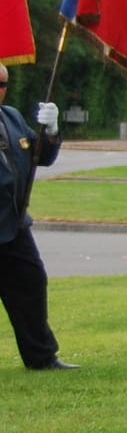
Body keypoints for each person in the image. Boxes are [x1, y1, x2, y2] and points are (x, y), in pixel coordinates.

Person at [0, 68, 76, 370]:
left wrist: (51, 131)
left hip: (14, 226)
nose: (0, 90)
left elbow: (40, 157)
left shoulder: (12, 118)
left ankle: (41, 357)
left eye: (3, 84)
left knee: (32, 284)